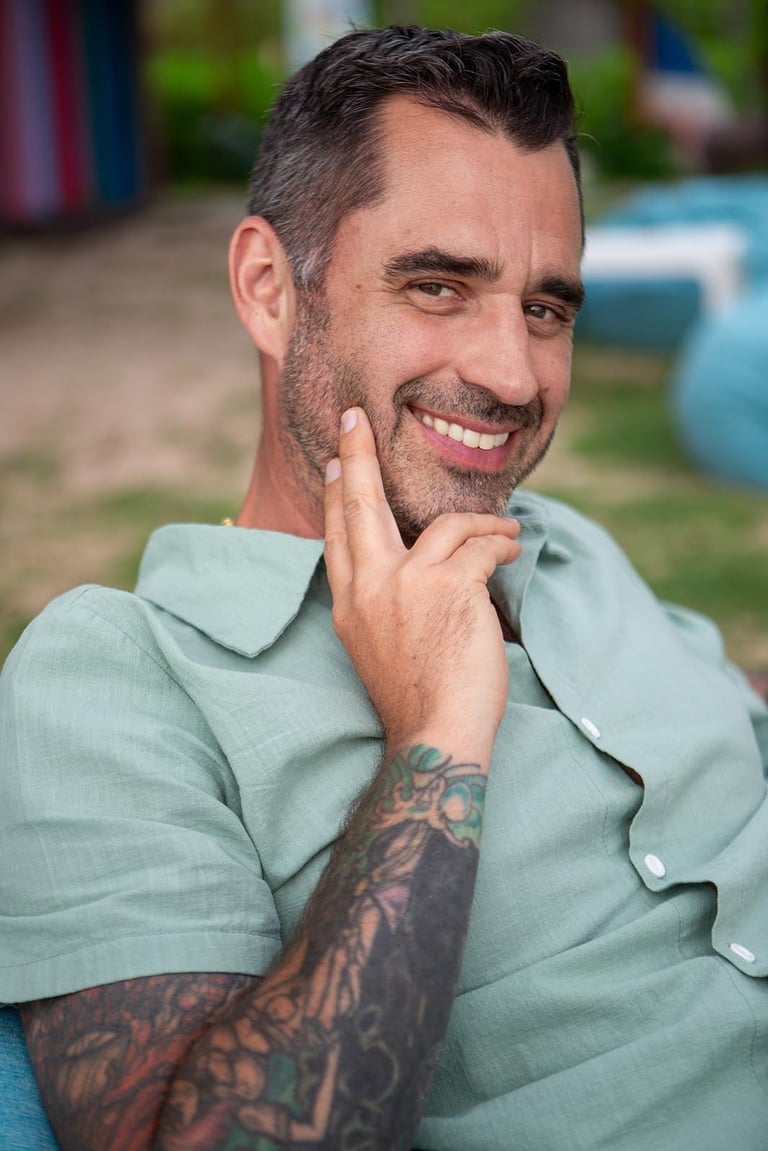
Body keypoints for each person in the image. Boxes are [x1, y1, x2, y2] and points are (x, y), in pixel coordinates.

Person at [1, 24, 767, 1151]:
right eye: (439, 285)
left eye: (546, 308)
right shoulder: (118, 682)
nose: (512, 374)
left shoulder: (567, 547)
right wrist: (436, 740)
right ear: (270, 289)